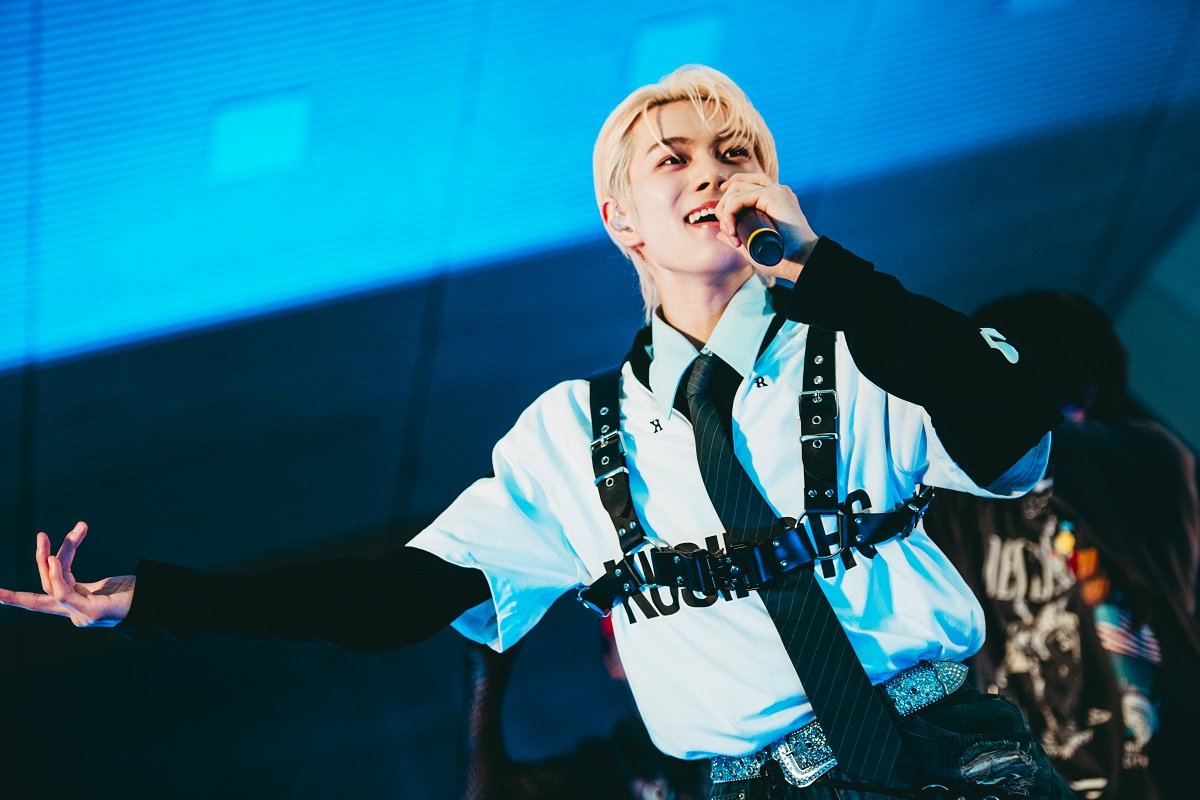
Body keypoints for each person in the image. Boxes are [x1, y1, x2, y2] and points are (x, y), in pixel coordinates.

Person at [0, 66, 1071, 799]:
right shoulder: (569, 437)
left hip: (958, 758)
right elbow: (389, 597)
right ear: (621, 219)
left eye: (735, 151)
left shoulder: (862, 340)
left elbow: (1015, 430)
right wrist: (162, 598)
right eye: (674, 159)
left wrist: (823, 267)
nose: (711, 171)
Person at [921, 291, 1200, 800]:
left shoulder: (1145, 456)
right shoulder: (961, 495)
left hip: (1161, 771)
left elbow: (1024, 437)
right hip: (1040, 779)